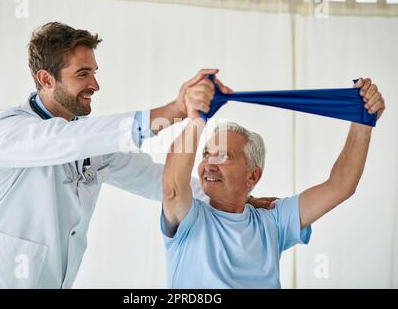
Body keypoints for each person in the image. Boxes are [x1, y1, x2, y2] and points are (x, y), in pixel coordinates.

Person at [0, 22, 273, 289]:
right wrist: (176, 110)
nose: (95, 84)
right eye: (83, 74)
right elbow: (71, 139)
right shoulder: (11, 131)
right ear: (46, 79)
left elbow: (156, 179)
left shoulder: (90, 143)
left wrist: (229, 196)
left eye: (94, 71)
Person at [161, 76, 385, 288]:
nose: (209, 164)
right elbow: (172, 189)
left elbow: (340, 186)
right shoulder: (190, 218)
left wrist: (363, 123)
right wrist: (196, 120)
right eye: (206, 154)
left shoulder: (273, 219)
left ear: (253, 176)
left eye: (223, 156)